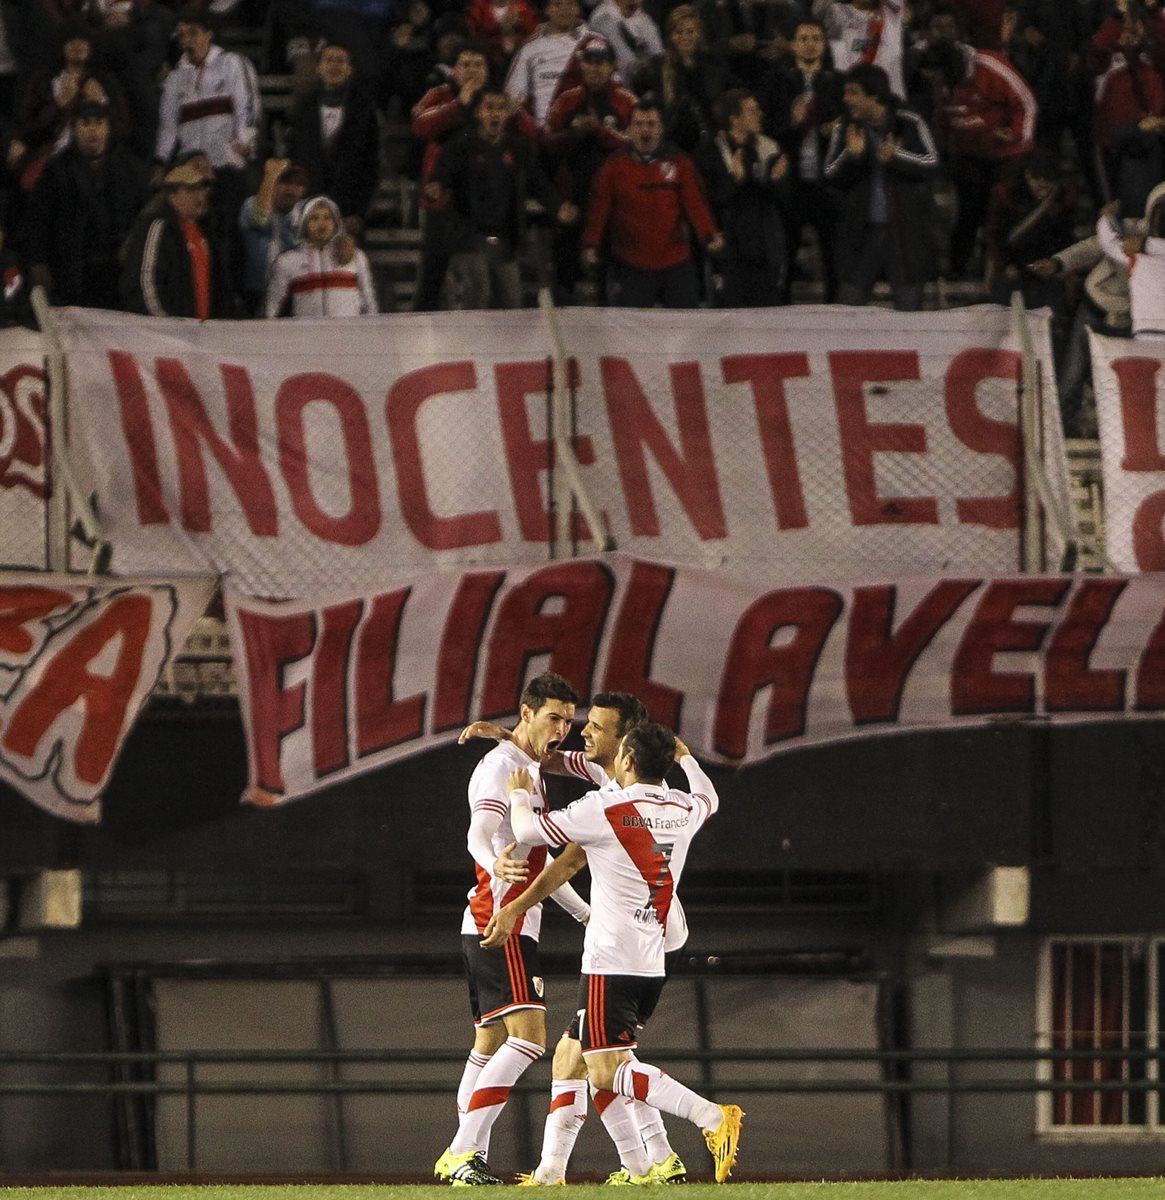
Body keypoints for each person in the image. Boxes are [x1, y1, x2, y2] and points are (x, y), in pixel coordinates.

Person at [462, 691, 694, 1187]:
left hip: (631, 944)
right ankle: (602, 1168)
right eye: (573, 722)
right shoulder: (630, 781)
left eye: (596, 726)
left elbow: (549, 846)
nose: (581, 733)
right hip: (649, 935)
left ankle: (685, 1136)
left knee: (597, 1058)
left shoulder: (613, 795)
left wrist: (516, 902)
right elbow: (549, 761)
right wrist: (510, 736)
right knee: (582, 1056)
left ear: (625, 744)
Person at [501, 722, 744, 1184]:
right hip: (652, 961)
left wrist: (517, 793)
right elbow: (710, 796)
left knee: (608, 1070)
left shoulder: (604, 807)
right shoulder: (684, 807)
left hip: (610, 961)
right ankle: (555, 1172)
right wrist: (689, 760)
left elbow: (528, 830)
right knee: (572, 1054)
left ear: (627, 761)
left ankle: (710, 1117)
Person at [434, 672, 592, 1188]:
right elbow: (478, 834)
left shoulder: (526, 764)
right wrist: (494, 866)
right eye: (554, 717)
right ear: (526, 713)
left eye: (570, 720)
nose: (564, 728)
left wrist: (585, 915)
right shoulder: (502, 767)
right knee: (530, 1039)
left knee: (488, 1042)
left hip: (499, 918)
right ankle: (461, 1152)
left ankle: (466, 1158)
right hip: (501, 921)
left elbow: (543, 867)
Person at [919, 5, 1036, 280]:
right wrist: (943, 147)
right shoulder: (942, 78)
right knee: (967, 212)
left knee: (999, 210)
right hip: (968, 154)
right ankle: (958, 268)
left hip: (1007, 154)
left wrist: (1018, 136)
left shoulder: (991, 65)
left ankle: (998, 267)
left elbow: (1027, 104)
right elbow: (941, 117)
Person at [435, 86, 578, 309]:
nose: (494, 114)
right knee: (478, 295)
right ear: (478, 112)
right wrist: (435, 187)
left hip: (505, 239)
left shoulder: (518, 147)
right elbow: (442, 173)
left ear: (507, 113)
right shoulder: (462, 144)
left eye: (500, 108)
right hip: (469, 237)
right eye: (489, 108)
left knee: (511, 303)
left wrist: (558, 206)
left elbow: (538, 183)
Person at [582, 99, 723, 307]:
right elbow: (599, 209)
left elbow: (695, 203)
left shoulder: (680, 163)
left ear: (661, 128)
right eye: (639, 124)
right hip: (630, 263)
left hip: (675, 261)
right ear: (629, 128)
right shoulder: (613, 167)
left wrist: (708, 235)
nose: (644, 130)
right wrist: (590, 244)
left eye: (651, 124)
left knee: (685, 329)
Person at [824, 62, 939, 311]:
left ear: (874, 94)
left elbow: (932, 163)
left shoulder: (909, 121)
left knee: (909, 315)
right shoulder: (844, 127)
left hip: (904, 234)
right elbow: (830, 174)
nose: (846, 99)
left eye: (853, 93)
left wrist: (896, 157)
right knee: (845, 312)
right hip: (860, 235)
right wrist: (851, 157)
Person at [155, 6, 261, 258]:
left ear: (208, 34)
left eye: (193, 33)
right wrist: (160, 161)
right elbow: (168, 125)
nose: (187, 41)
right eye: (182, 35)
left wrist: (244, 143)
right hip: (191, 172)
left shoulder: (233, 63)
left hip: (226, 167)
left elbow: (247, 107)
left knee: (231, 237)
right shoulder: (175, 80)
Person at [25, 100, 150, 309]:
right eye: (86, 123)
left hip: (118, 275)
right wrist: (38, 263)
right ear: (75, 128)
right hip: (72, 274)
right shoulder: (57, 171)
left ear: (108, 127)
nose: (93, 130)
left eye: (99, 123)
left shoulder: (130, 169)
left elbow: (144, 216)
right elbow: (38, 221)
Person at [544, 37, 634, 301]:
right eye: (589, 62)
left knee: (611, 268)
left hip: (615, 199)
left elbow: (636, 145)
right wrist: (574, 133)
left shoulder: (626, 101)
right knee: (566, 267)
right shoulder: (566, 100)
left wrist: (600, 131)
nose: (594, 68)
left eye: (601, 63)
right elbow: (547, 143)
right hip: (573, 194)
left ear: (612, 66)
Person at [763, 16, 844, 302]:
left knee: (833, 257)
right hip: (792, 183)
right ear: (793, 45)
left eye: (816, 39)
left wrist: (831, 131)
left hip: (827, 182)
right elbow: (768, 130)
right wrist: (793, 123)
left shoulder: (837, 82)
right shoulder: (777, 81)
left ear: (824, 45)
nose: (810, 45)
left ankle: (834, 314)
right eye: (804, 39)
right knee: (786, 251)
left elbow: (845, 126)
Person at [696, 88, 789, 306]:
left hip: (764, 250)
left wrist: (775, 182)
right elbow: (707, 199)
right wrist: (734, 180)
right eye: (752, 111)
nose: (760, 114)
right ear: (734, 119)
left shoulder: (768, 148)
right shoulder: (709, 151)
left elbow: (783, 201)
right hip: (729, 250)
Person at [284, 41, 381, 237]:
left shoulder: (365, 110)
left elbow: (371, 166)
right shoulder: (303, 108)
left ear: (350, 69)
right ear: (319, 67)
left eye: (340, 61)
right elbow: (293, 160)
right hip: (308, 212)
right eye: (329, 60)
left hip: (348, 214)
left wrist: (359, 214)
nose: (334, 66)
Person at [120, 156, 234, 318]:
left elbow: (221, 287)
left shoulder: (207, 232)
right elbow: (145, 283)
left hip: (202, 334)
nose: (200, 196)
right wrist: (168, 326)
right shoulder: (157, 227)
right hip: (170, 335)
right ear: (173, 195)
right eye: (192, 190)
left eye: (202, 188)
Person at [265, 194, 378, 317]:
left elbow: (369, 301)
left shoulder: (356, 256)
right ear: (304, 224)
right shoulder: (287, 261)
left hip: (348, 334)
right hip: (307, 334)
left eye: (327, 217)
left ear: (335, 223)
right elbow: (273, 305)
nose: (321, 224)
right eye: (314, 218)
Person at [239, 158, 309, 315]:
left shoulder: (304, 213)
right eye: (285, 182)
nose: (291, 189)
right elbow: (259, 218)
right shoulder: (251, 204)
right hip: (257, 293)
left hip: (295, 293)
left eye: (298, 184)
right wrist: (272, 175)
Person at [505, 0, 590, 127]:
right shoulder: (530, 48)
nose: (564, 9)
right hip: (541, 132)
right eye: (557, 4)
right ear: (547, 10)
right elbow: (513, 98)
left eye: (570, 4)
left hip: (584, 128)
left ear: (578, 9)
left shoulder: (593, 43)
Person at [1098, 186, 1165, 339]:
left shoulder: (1136, 255)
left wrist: (1106, 218)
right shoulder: (1137, 251)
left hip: (1145, 335)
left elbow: (1109, 242)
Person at [812, 0, 907, 99]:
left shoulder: (890, 13)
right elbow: (817, 11)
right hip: (850, 99)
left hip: (890, 99)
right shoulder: (837, 12)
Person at [589, 0, 664, 86]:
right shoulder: (601, 19)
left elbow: (658, 53)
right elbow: (626, 63)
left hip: (645, 80)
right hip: (615, 83)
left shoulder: (644, 18)